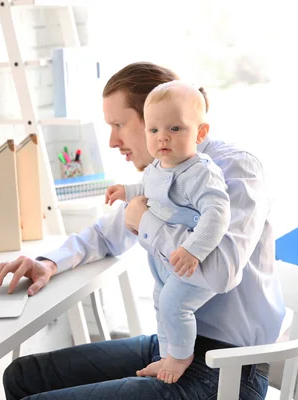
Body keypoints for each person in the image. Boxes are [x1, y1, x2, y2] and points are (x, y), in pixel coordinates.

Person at [0, 62, 286, 400]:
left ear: (156, 112)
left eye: (119, 124)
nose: (112, 141)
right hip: (174, 347)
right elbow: (107, 234)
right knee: (23, 375)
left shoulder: (234, 169)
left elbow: (222, 272)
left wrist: (146, 222)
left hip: (226, 372)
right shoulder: (161, 173)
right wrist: (48, 264)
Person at [105, 80, 231, 383]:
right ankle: (166, 356)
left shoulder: (201, 172)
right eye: (154, 130)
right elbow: (149, 189)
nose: (163, 138)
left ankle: (180, 357)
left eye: (175, 129)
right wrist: (127, 190)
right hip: (165, 261)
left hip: (189, 262)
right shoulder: (159, 166)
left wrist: (193, 249)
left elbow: (217, 214)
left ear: (200, 133)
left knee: (176, 304)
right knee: (161, 301)